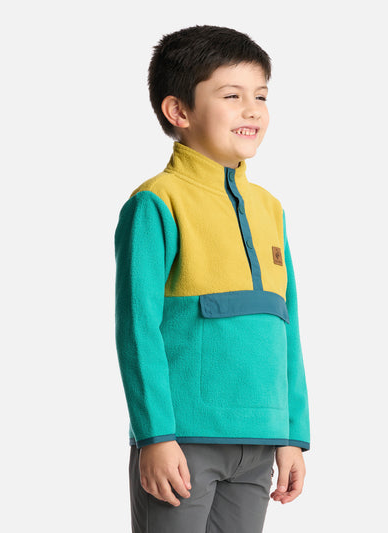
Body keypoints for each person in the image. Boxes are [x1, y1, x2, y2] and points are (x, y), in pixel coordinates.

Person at [114, 24, 311, 533]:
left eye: (260, 96)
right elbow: (137, 330)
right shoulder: (156, 202)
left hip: (260, 441)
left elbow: (286, 328)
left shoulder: (270, 209)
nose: (253, 110)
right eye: (232, 95)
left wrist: (292, 434)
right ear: (178, 111)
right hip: (182, 441)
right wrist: (155, 436)